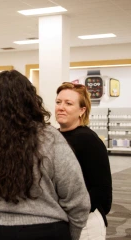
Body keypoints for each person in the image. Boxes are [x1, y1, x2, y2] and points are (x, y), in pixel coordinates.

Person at [0, 70, 91, 240]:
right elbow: (76, 197)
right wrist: (71, 234)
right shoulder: (49, 137)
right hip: (43, 230)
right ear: (31, 100)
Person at [55, 82, 112, 240]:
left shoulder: (88, 140)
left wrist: (75, 212)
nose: (61, 107)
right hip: (61, 219)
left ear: (82, 110)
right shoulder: (54, 136)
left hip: (85, 223)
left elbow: (101, 189)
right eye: (58, 102)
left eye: (68, 103)